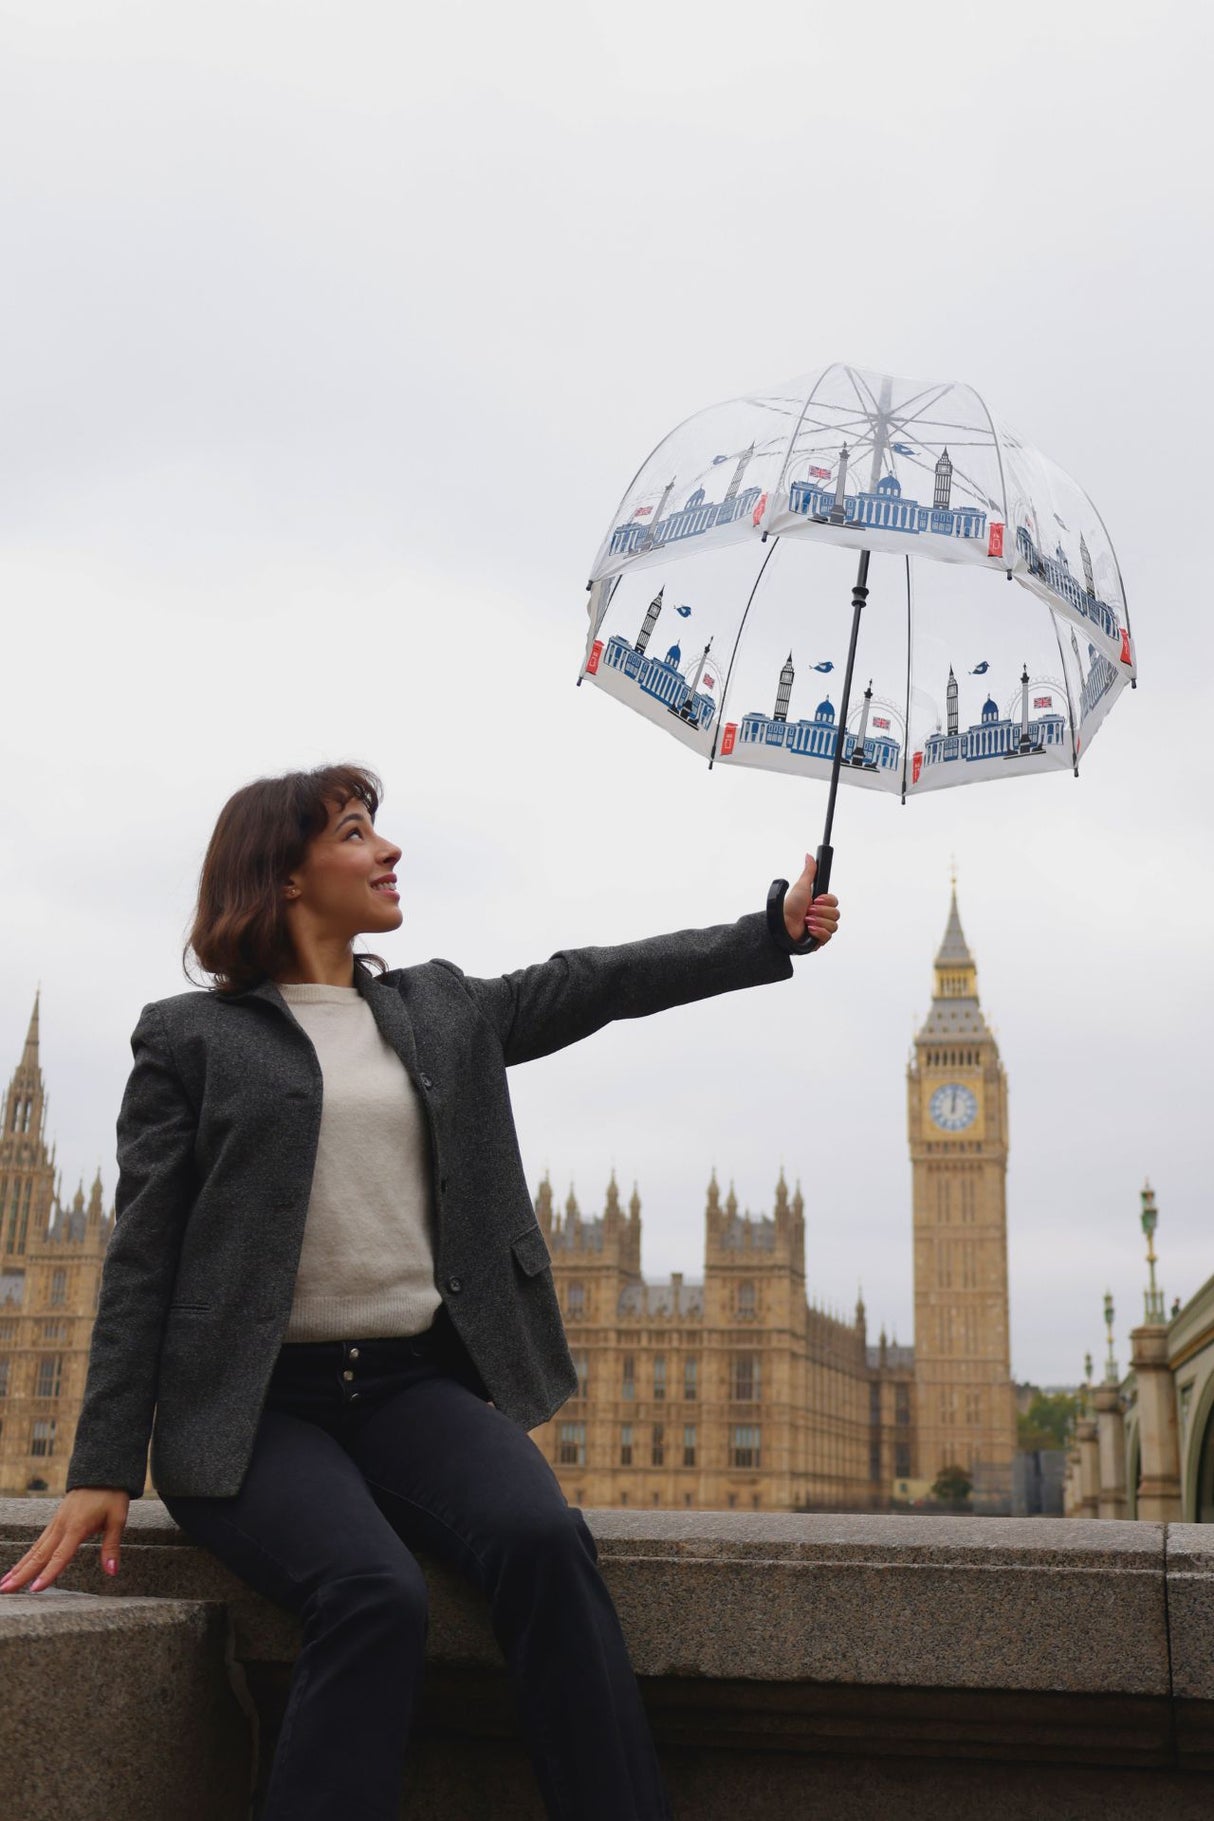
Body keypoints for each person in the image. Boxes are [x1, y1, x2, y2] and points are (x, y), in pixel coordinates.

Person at [0, 762, 840, 1820]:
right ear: (286, 877)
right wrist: (103, 1462)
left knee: (544, 1544)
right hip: (257, 1412)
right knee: (373, 1595)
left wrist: (765, 932)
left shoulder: (437, 1009)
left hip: (407, 1387)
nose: (386, 850)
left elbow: (591, 980)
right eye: (355, 834)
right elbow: (142, 1259)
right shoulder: (189, 1039)